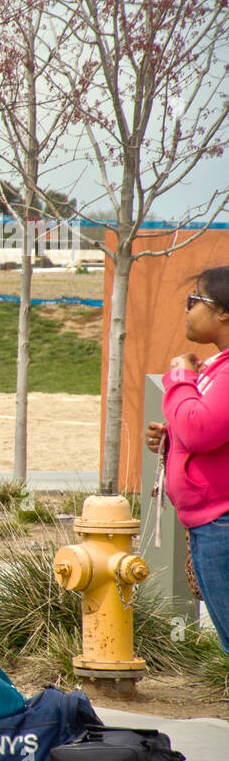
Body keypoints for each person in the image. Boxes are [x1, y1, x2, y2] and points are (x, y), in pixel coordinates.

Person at [145, 265, 229, 657]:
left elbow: (199, 428)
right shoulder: (217, 368)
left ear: (224, 312)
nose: (188, 310)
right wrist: (170, 438)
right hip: (210, 523)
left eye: (195, 301)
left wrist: (179, 378)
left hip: (222, 523)